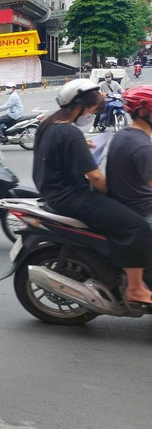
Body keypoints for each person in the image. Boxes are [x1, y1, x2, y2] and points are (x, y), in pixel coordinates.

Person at [34, 79, 152, 304]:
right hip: (71, 197)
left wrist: (81, 146)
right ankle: (135, 289)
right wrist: (112, 191)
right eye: (92, 109)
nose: (91, 114)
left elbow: (58, 152)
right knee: (136, 226)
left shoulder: (49, 124)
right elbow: (96, 177)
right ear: (80, 106)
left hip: (53, 192)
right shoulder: (70, 133)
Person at [104, 86, 152, 303]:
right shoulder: (142, 146)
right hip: (141, 209)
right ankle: (136, 288)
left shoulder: (124, 134)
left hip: (125, 201)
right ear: (143, 112)